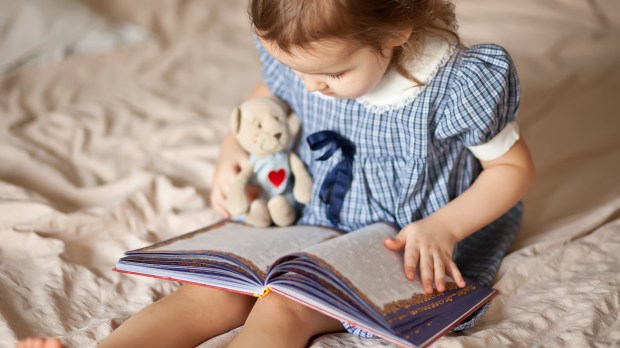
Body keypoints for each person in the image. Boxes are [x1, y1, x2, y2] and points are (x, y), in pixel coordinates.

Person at [18, 0, 535, 347]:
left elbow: (512, 169)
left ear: (397, 32)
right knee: (213, 290)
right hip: (312, 213)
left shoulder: (452, 82)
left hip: (408, 238)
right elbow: (266, 97)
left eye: (332, 74)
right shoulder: (305, 57)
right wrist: (232, 148)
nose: (311, 89)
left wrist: (443, 227)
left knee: (284, 305)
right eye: (296, 71)